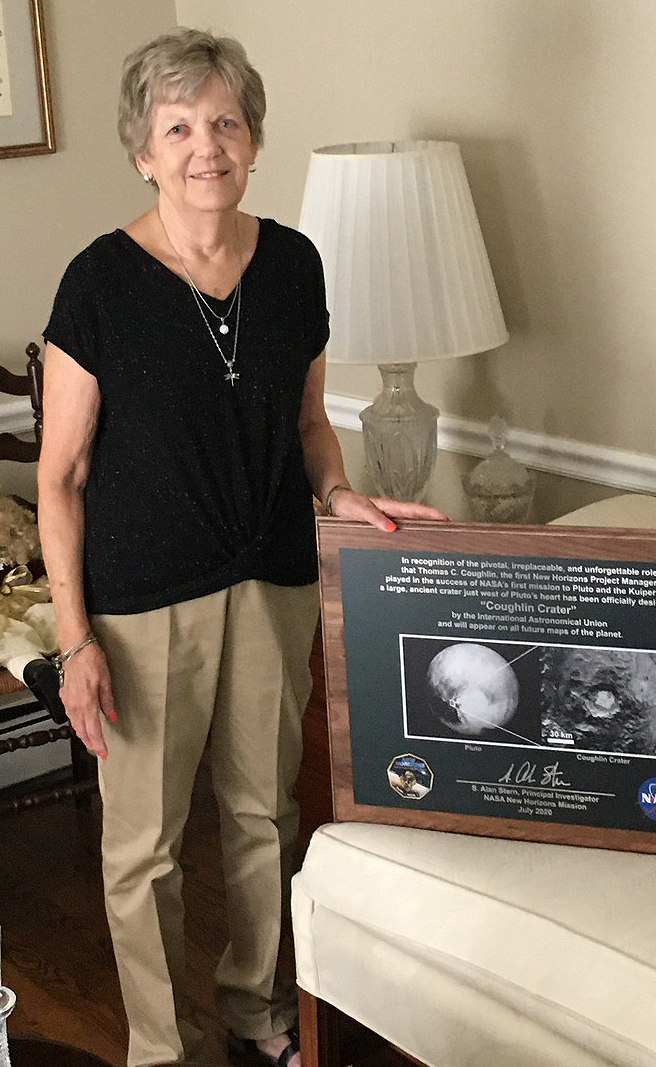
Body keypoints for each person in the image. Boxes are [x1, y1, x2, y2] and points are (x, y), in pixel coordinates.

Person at [37, 27, 447, 1067]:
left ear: (253, 138)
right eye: (177, 126)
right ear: (142, 149)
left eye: (224, 121)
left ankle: (258, 1011)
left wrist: (342, 492)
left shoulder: (295, 263)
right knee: (147, 849)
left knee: (265, 814)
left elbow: (310, 423)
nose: (203, 145)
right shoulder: (100, 282)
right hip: (140, 604)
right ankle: (163, 1046)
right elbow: (59, 475)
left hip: (272, 578)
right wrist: (75, 639)